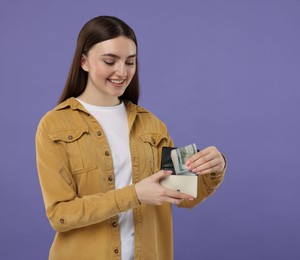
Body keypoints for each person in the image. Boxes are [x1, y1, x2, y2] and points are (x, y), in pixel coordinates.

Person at [35, 15, 226, 260]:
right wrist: (134, 195)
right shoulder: (54, 125)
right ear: (84, 61)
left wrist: (214, 167)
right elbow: (61, 215)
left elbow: (181, 194)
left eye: (130, 62)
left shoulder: (153, 125)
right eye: (109, 61)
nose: (122, 72)